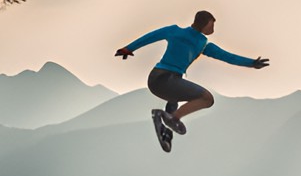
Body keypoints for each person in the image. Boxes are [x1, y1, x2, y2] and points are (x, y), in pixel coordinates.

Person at [115, 10, 269, 151]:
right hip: (164, 79)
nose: (213, 29)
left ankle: (166, 134)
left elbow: (227, 56)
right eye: (212, 24)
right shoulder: (194, 40)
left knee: (174, 101)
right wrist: (252, 64)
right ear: (205, 23)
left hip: (159, 80)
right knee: (207, 99)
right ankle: (169, 118)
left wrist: (128, 49)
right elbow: (151, 37)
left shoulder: (196, 41)